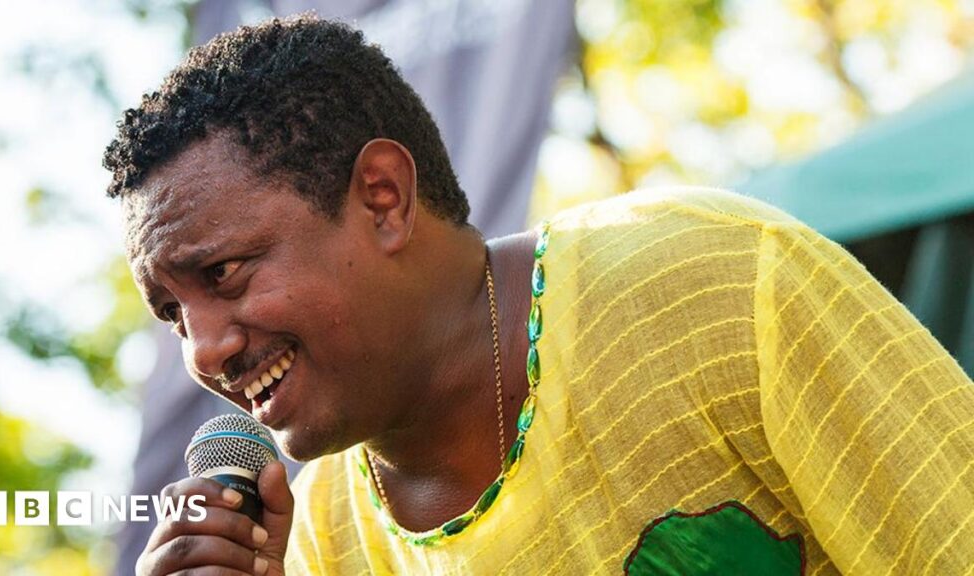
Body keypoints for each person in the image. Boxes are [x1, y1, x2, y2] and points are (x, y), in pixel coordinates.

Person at [105, 15, 974, 575]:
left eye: (223, 274)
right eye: (174, 312)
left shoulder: (711, 283)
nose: (204, 350)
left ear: (382, 197)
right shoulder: (327, 537)